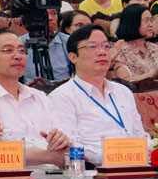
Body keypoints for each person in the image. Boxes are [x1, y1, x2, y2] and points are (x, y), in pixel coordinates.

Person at [0, 30, 70, 167]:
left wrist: (62, 141)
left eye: (21, 50)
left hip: (54, 174)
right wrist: (50, 157)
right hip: (12, 176)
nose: (18, 56)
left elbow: (65, 145)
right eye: (8, 50)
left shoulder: (39, 96)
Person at [49, 25, 148, 166]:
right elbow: (70, 146)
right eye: (92, 47)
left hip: (136, 167)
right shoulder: (62, 96)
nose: (102, 52)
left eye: (106, 46)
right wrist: (116, 155)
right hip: (94, 172)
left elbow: (140, 135)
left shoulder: (123, 91)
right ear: (73, 57)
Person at [24, 10, 89, 81]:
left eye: (54, 14)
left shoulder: (68, 41)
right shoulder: (20, 43)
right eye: (45, 14)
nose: (50, 18)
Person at [111, 4, 158, 81]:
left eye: (152, 20)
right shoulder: (120, 50)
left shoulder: (154, 48)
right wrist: (153, 75)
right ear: (133, 23)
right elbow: (124, 81)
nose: (151, 24)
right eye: (146, 20)